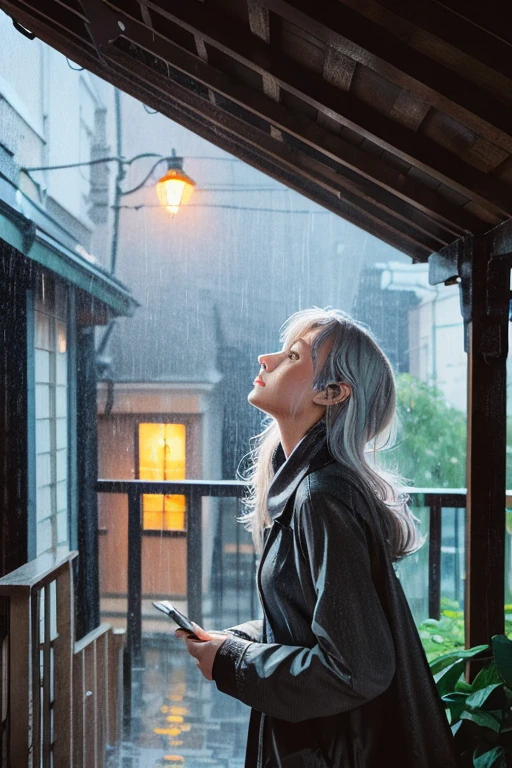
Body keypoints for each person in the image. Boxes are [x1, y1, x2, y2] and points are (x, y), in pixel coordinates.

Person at [176, 308, 460, 767]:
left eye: (292, 356)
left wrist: (235, 662)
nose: (265, 359)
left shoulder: (320, 496)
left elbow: (357, 668)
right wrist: (235, 642)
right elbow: (317, 624)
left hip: (333, 752)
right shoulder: (310, 487)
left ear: (332, 392)